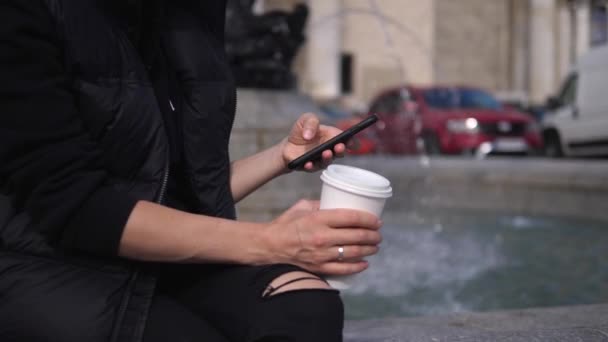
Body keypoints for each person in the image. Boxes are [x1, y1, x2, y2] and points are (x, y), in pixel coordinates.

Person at [0, 1, 383, 342]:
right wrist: (272, 240)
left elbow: (171, 189)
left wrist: (281, 158)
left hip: (155, 260)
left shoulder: (182, 17)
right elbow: (78, 206)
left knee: (307, 307)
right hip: (48, 267)